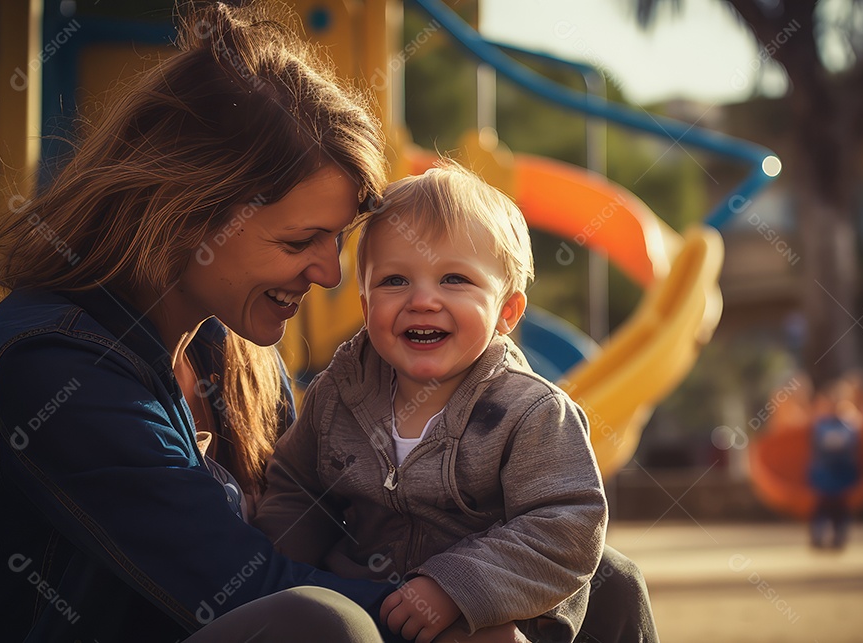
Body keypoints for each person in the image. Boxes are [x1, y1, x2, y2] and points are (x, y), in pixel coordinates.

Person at [0, 2, 395, 640]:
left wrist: (488, 582)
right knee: (323, 626)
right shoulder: (50, 366)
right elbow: (241, 588)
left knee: (588, 579)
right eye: (302, 241)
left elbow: (320, 533)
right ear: (188, 214)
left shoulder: (235, 354)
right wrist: (448, 621)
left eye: (337, 241)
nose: (329, 274)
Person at [255, 162, 609, 643]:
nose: (423, 300)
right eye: (394, 281)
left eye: (455, 280)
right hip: (368, 603)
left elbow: (567, 525)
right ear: (365, 306)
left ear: (506, 311)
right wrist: (274, 567)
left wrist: (455, 587)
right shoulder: (338, 394)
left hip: (487, 612)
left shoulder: (530, 413)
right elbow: (298, 489)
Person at [807, 379, 862, 550]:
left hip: (842, 471)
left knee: (840, 506)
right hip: (825, 471)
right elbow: (818, 446)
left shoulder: (850, 423)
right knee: (823, 504)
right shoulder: (821, 424)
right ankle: (818, 535)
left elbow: (852, 446)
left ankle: (839, 536)